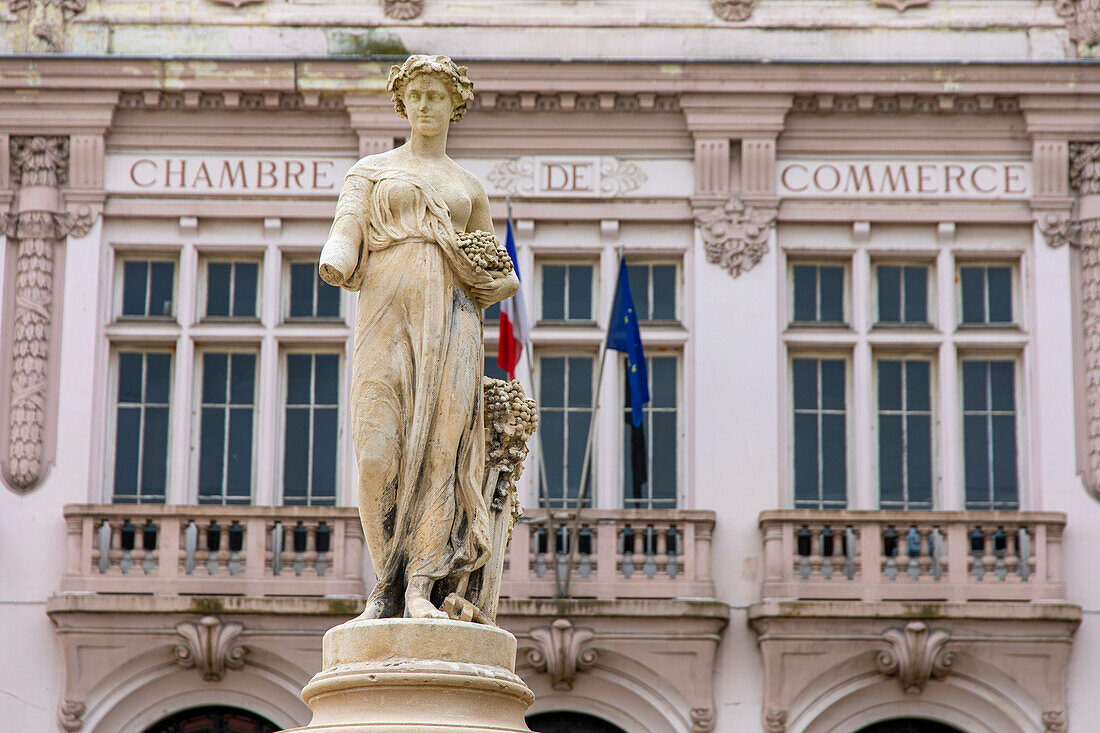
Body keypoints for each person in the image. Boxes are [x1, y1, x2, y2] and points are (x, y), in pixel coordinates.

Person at [318, 55, 519, 620]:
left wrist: (495, 282)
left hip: (453, 321)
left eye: (436, 94)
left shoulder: (466, 187)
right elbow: (346, 226)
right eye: (416, 95)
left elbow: (498, 268)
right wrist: (335, 257)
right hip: (385, 313)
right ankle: (384, 581)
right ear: (401, 104)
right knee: (378, 452)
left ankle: (419, 587)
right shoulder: (372, 171)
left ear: (455, 104)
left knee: (441, 454)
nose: (425, 105)